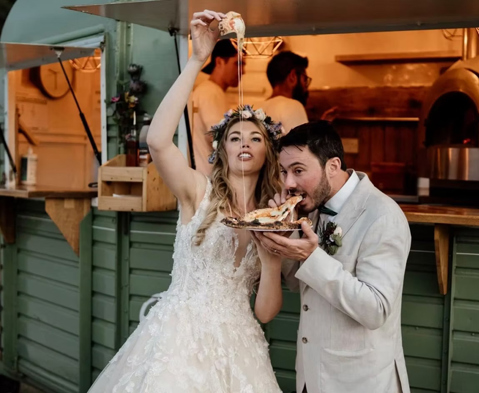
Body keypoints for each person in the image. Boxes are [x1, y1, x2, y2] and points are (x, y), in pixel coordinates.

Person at [88, 10, 283, 392]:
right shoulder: (197, 191)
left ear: (267, 154)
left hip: (239, 347)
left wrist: (272, 261)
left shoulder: (273, 214)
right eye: (235, 137)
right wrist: (197, 60)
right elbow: (158, 142)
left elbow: (264, 312)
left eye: (256, 138)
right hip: (179, 340)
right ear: (222, 150)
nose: (245, 142)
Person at [254, 121, 412, 393]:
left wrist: (312, 257)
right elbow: (297, 283)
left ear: (333, 166)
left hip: (358, 381)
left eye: (299, 170)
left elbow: (375, 310)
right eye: (284, 171)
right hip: (311, 376)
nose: (289, 183)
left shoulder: (383, 216)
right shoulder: (311, 208)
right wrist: (285, 234)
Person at [191, 38, 245, 176]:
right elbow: (217, 137)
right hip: (209, 178)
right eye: (238, 64)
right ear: (220, 62)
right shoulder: (210, 92)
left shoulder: (212, 91)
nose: (242, 71)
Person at [261, 51, 337, 135]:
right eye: (305, 79)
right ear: (293, 76)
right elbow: (304, 147)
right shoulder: (292, 106)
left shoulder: (259, 108)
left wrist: (322, 125)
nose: (306, 87)